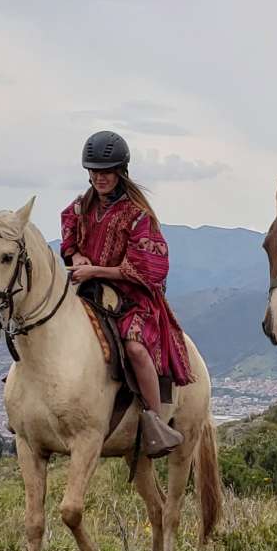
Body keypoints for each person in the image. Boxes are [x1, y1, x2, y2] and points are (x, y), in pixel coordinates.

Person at [60, 130, 191, 458]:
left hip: (132, 297)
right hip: (87, 290)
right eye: (94, 171)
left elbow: (145, 270)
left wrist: (96, 271)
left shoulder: (138, 216)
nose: (99, 177)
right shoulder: (80, 206)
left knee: (134, 347)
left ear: (121, 171)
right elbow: (68, 239)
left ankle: (154, 420)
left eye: (106, 171)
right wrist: (77, 259)